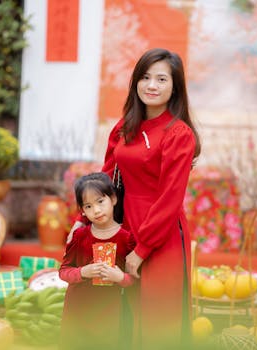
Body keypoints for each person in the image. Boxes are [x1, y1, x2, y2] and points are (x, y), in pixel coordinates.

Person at [69, 48, 201, 349]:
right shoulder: (124, 127)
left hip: (161, 234)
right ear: (136, 82)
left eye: (161, 79)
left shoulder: (179, 134)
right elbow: (103, 181)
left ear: (175, 86)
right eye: (145, 77)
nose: (151, 85)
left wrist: (141, 250)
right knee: (118, 313)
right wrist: (82, 223)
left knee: (157, 318)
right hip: (122, 227)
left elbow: (170, 199)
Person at [59, 172, 136, 350]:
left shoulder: (127, 239)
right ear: (82, 211)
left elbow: (135, 279)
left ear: (113, 199)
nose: (96, 210)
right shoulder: (79, 236)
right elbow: (63, 271)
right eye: (88, 206)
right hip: (78, 311)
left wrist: (120, 277)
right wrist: (82, 272)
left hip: (108, 314)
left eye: (100, 201)